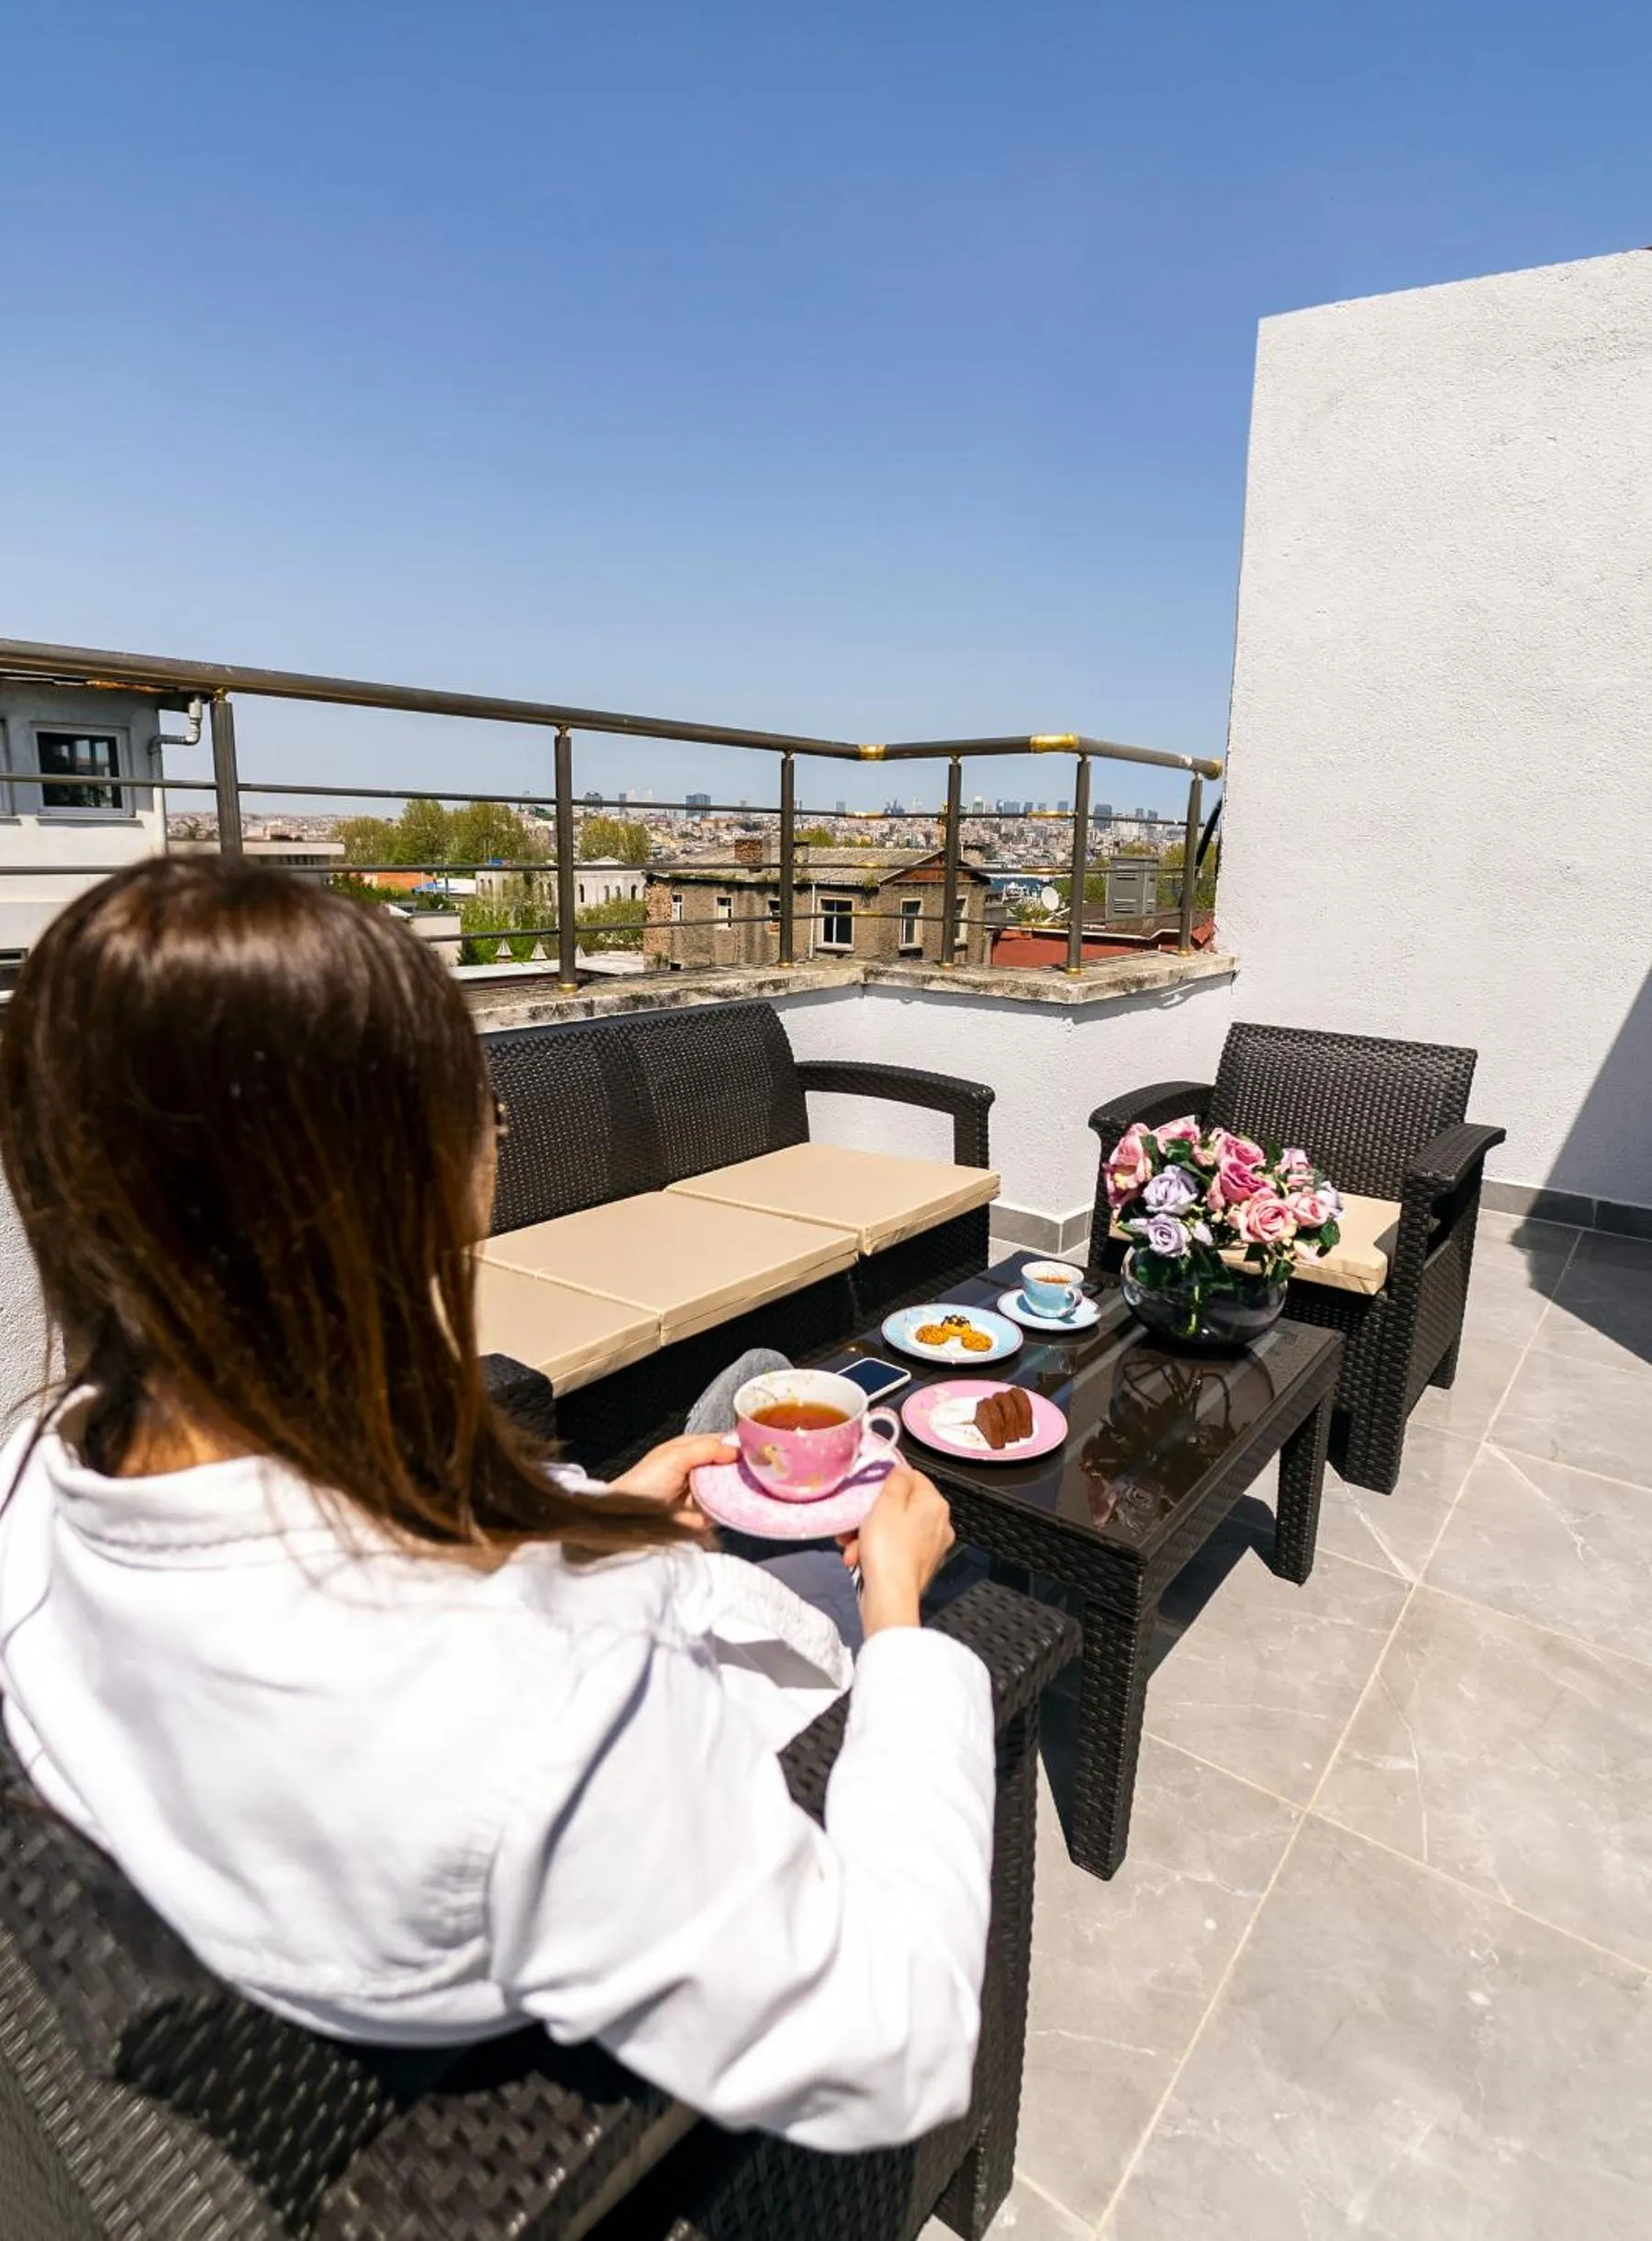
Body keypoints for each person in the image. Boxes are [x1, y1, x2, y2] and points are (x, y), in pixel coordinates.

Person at [0, 858, 994, 2153]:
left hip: (407, 1871)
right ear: (396, 1172)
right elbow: (895, 2040)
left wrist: (588, 1513)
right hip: (645, 1872)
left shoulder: (40, 1479)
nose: (497, 1135)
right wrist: (907, 1626)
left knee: (734, 1403)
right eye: (486, 1107)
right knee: (851, 1496)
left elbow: (348, 1557)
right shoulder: (546, 1718)